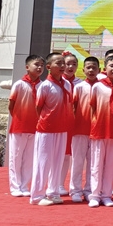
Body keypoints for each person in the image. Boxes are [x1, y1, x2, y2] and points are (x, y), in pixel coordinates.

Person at [29, 52, 73, 206]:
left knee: (57, 162)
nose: (62, 66)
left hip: (62, 129)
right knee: (43, 162)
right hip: (46, 130)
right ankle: (37, 196)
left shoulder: (67, 84)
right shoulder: (45, 86)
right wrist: (47, 122)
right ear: (48, 67)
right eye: (58, 63)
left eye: (63, 63)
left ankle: (53, 192)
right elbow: (38, 108)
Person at [88, 55, 113, 208]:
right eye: (112, 66)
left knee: (111, 164)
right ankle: (95, 195)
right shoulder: (97, 86)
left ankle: (106, 195)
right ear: (105, 68)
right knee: (97, 164)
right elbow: (93, 107)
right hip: (99, 130)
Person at [8, 54, 44, 197]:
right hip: (19, 127)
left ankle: (24, 186)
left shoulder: (43, 86)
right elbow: (11, 106)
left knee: (30, 159)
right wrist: (20, 119)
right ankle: (15, 186)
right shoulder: (19, 84)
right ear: (27, 67)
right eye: (36, 64)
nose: (39, 67)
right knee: (15, 158)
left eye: (42, 65)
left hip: (36, 128)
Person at [69, 56, 99, 202]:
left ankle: (89, 190)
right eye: (88, 67)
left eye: (94, 68)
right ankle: (75, 190)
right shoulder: (79, 87)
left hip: (97, 131)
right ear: (83, 70)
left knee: (94, 163)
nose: (91, 70)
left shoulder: (102, 87)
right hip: (80, 129)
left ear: (99, 70)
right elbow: (73, 108)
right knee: (77, 161)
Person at [59, 51, 81, 196]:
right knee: (60, 154)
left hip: (76, 124)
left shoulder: (81, 84)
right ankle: (57, 184)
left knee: (70, 154)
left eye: (74, 64)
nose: (71, 67)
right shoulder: (58, 82)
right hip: (60, 122)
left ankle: (70, 186)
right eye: (68, 64)